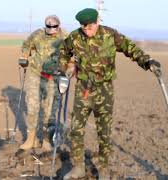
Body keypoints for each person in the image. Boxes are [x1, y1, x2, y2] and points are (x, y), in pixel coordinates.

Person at [58, 8, 162, 179]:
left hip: (104, 90)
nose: (86, 29)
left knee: (104, 132)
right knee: (76, 129)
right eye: (83, 26)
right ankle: (78, 167)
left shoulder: (110, 35)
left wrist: (147, 61)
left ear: (97, 22)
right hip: (83, 89)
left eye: (89, 26)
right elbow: (63, 52)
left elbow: (130, 48)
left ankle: (104, 169)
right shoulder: (75, 37)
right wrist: (67, 66)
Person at [18, 15, 68, 151]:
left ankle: (46, 140)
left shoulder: (66, 37)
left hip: (54, 79)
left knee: (49, 111)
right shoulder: (37, 35)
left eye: (54, 27)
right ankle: (31, 139)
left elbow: (72, 56)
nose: (51, 29)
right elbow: (26, 46)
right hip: (36, 75)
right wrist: (23, 57)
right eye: (48, 26)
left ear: (59, 25)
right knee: (32, 107)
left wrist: (68, 69)